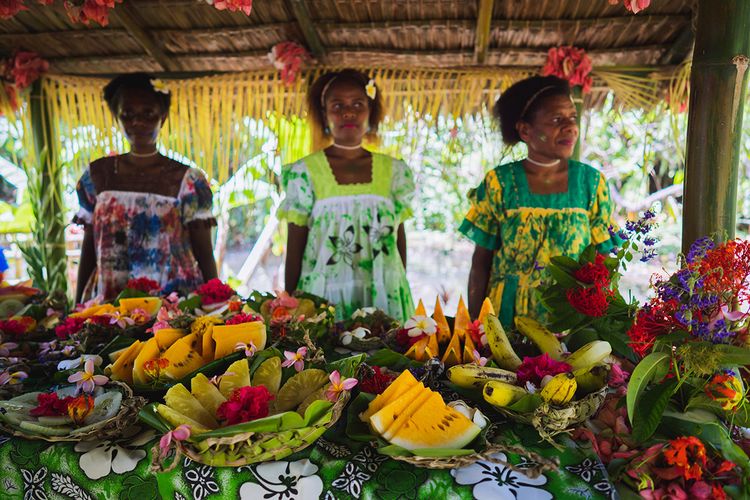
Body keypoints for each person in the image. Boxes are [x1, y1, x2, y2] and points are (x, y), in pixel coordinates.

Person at [461, 75, 621, 326]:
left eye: (572, 118)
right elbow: (481, 263)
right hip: (507, 319)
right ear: (525, 130)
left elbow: (604, 262)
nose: (570, 127)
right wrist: (475, 325)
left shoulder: (590, 183)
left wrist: (604, 322)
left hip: (570, 321)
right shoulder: (499, 183)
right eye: (557, 119)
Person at [280, 69, 415, 321]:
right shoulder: (304, 173)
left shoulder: (395, 172)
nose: (348, 112)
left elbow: (398, 238)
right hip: (323, 297)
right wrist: (290, 302)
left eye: (357, 104)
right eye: (337, 105)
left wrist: (396, 284)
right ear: (324, 114)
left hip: (383, 294)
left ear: (370, 110)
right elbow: (295, 244)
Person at [74, 73, 217, 303]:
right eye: (128, 114)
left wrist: (215, 300)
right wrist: (78, 303)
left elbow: (204, 252)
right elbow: (89, 246)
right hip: (112, 304)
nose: (137, 122)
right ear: (116, 117)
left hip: (175, 305)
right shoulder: (97, 175)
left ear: (163, 116)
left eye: (148, 114)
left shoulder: (187, 180)